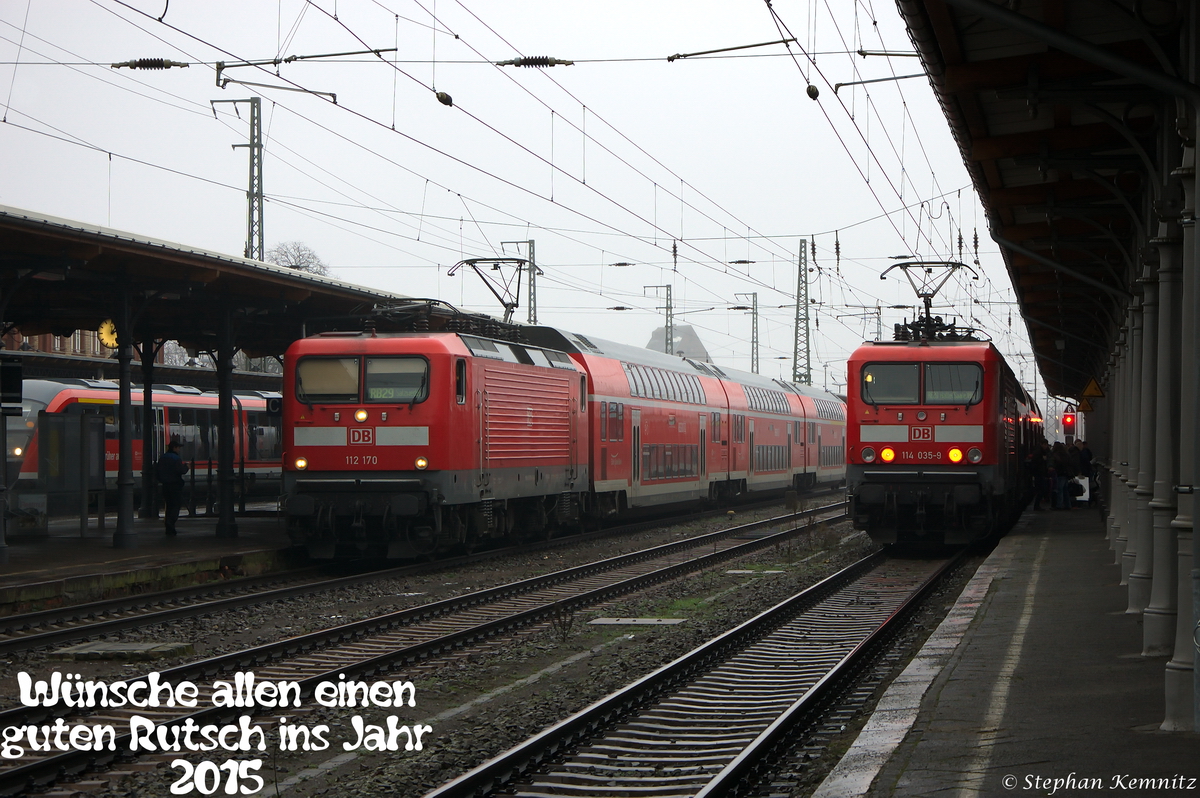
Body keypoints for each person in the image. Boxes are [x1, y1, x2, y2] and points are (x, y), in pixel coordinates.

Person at [156, 438, 189, 536]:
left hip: (165, 485)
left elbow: (157, 472)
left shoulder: (162, 458)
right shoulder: (176, 458)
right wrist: (186, 467)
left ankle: (169, 527)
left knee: (169, 506)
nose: (179, 450)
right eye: (178, 447)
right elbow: (181, 470)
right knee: (176, 505)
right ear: (174, 448)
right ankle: (171, 522)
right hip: (175, 485)